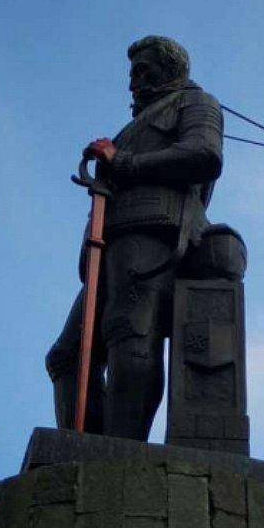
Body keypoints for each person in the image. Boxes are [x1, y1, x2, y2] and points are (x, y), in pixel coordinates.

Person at [47, 35, 224, 440]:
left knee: (131, 333)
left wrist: (122, 161)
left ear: (171, 70)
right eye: (133, 73)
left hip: (153, 233)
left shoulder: (197, 103)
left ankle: (123, 448)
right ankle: (88, 449)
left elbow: (204, 155)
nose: (134, 83)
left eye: (144, 71)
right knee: (67, 357)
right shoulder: (137, 124)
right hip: (113, 242)